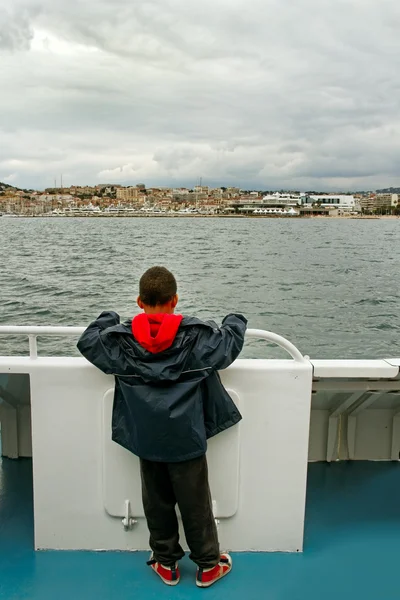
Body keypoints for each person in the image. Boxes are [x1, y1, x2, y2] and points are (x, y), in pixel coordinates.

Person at [77, 266, 247, 588]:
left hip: (146, 437)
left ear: (140, 302)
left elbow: (88, 342)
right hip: (187, 436)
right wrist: (234, 319)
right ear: (175, 300)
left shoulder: (120, 341)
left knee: (155, 500)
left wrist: (109, 317)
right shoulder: (195, 339)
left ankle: (165, 563)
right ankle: (209, 566)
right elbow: (228, 345)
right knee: (195, 502)